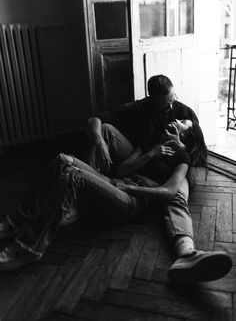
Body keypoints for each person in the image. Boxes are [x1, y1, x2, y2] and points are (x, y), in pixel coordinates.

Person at [0, 118, 232, 283]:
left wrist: (131, 187)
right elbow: (122, 169)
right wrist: (152, 153)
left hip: (131, 200)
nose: (177, 120)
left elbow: (170, 192)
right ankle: (18, 219)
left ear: (185, 136)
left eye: (183, 122)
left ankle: (29, 246)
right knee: (62, 160)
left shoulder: (181, 157)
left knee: (72, 177)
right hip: (117, 183)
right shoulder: (151, 141)